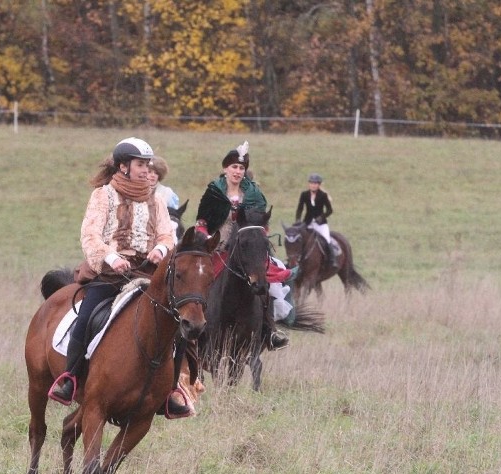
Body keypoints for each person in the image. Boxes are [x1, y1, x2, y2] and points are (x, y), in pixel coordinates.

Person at [47, 137, 192, 418]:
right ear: (124, 166)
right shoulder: (103, 196)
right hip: (112, 275)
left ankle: (172, 390)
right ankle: (70, 377)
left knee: (179, 323)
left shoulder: (157, 200)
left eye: (147, 165)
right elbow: (90, 235)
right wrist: (111, 257)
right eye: (140, 164)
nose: (146, 170)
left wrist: (161, 250)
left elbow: (167, 235)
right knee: (87, 316)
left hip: (148, 275)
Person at [193, 141, 289, 350]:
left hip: (248, 250)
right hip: (218, 250)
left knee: (271, 281)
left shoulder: (254, 194)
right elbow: (201, 223)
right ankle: (192, 330)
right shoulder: (213, 193)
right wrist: (205, 238)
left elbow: (262, 223)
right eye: (234, 167)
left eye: (241, 168)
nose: (238, 171)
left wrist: (259, 236)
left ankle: (269, 330)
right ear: (225, 169)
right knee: (196, 283)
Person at [295, 173, 338, 267]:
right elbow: (300, 208)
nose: (313, 185)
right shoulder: (304, 194)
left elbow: (330, 210)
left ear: (319, 185)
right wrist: (298, 219)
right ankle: (294, 259)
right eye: (311, 183)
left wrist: (321, 217)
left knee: (327, 239)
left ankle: (332, 260)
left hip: (321, 224)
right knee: (297, 238)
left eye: (315, 183)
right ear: (309, 184)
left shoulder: (323, 195)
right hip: (307, 222)